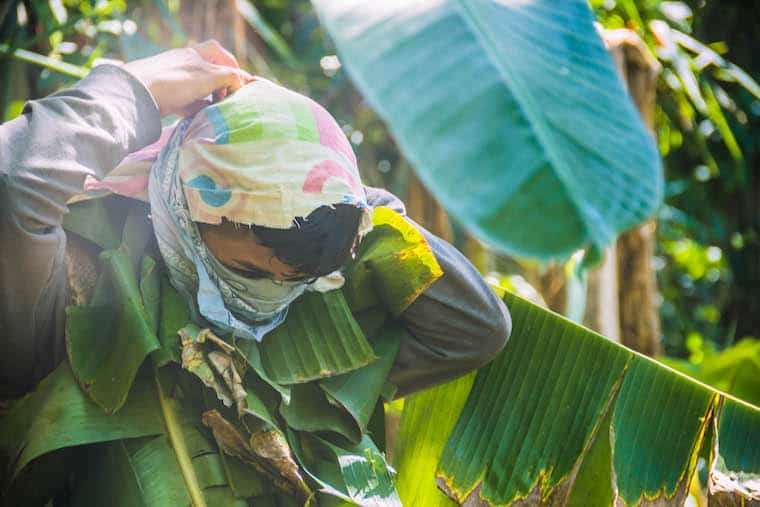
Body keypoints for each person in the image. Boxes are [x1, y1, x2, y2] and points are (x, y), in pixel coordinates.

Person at [0, 41, 510, 400]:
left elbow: (476, 329)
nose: (266, 300)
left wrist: (343, 196)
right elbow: (13, 184)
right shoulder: (71, 294)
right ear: (187, 202)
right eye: (248, 272)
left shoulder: (312, 336)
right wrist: (138, 88)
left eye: (292, 282)